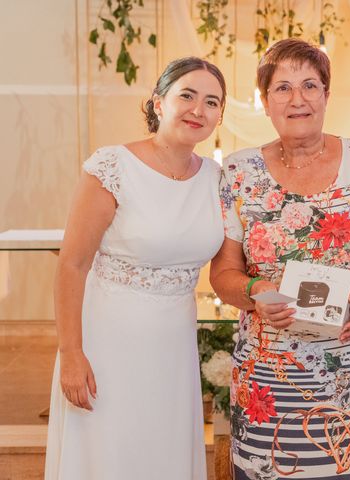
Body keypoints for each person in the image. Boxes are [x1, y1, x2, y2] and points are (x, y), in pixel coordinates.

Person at [210, 38, 350, 479]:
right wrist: (253, 289)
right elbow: (224, 274)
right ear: (265, 102)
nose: (297, 98)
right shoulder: (238, 172)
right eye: (282, 88)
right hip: (270, 377)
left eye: (309, 85)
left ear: (326, 94)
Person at [45, 57, 227, 480]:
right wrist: (71, 353)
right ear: (159, 102)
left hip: (173, 347)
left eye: (212, 102)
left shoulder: (217, 178)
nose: (198, 110)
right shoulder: (113, 167)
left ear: (220, 116)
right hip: (108, 343)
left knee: (162, 452)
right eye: (187, 95)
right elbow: (71, 265)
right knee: (110, 452)